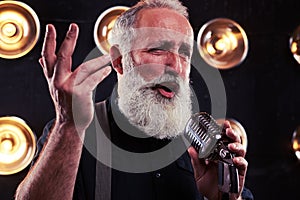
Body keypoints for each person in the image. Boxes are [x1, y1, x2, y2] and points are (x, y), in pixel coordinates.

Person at [15, 0, 253, 199]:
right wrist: (68, 124)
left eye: (185, 54)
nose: (176, 66)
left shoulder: (204, 146)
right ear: (119, 61)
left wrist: (226, 197)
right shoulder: (74, 134)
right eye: (157, 50)